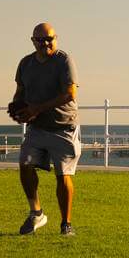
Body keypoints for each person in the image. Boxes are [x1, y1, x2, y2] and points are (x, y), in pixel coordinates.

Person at [9, 21, 80, 236]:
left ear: (56, 38)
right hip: (37, 127)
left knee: (63, 175)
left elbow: (70, 94)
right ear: (33, 41)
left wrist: (36, 109)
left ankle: (66, 223)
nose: (45, 43)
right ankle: (36, 213)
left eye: (50, 39)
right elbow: (20, 90)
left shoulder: (63, 61)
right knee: (25, 165)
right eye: (40, 40)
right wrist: (17, 107)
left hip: (63, 126)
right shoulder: (25, 64)